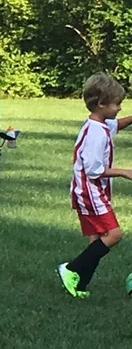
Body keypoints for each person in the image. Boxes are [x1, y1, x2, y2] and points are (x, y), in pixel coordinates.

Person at [57, 74, 132, 298]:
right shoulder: (96, 135)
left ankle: (79, 284)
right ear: (101, 104)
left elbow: (116, 124)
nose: (119, 108)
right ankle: (71, 269)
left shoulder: (99, 123)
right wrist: (124, 172)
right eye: (116, 104)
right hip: (89, 191)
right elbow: (93, 170)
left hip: (89, 191)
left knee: (96, 240)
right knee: (114, 235)